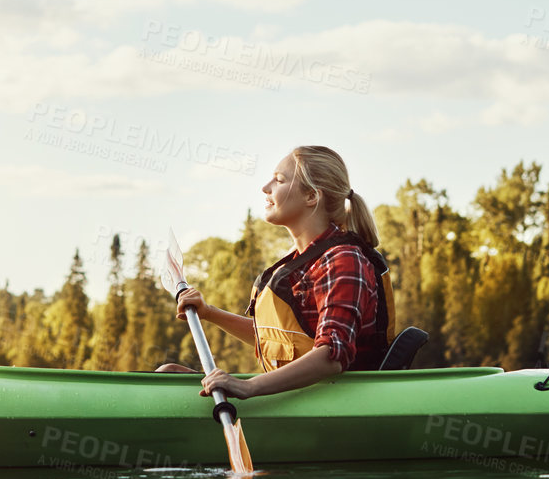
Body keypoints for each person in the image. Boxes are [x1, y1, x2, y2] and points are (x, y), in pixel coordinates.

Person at [158, 145, 392, 399]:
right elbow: (279, 340)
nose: (266, 187)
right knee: (168, 372)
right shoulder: (304, 261)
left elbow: (332, 355)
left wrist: (248, 387)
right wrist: (209, 313)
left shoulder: (343, 260)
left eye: (279, 180)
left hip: (326, 401)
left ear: (312, 196)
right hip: (299, 396)